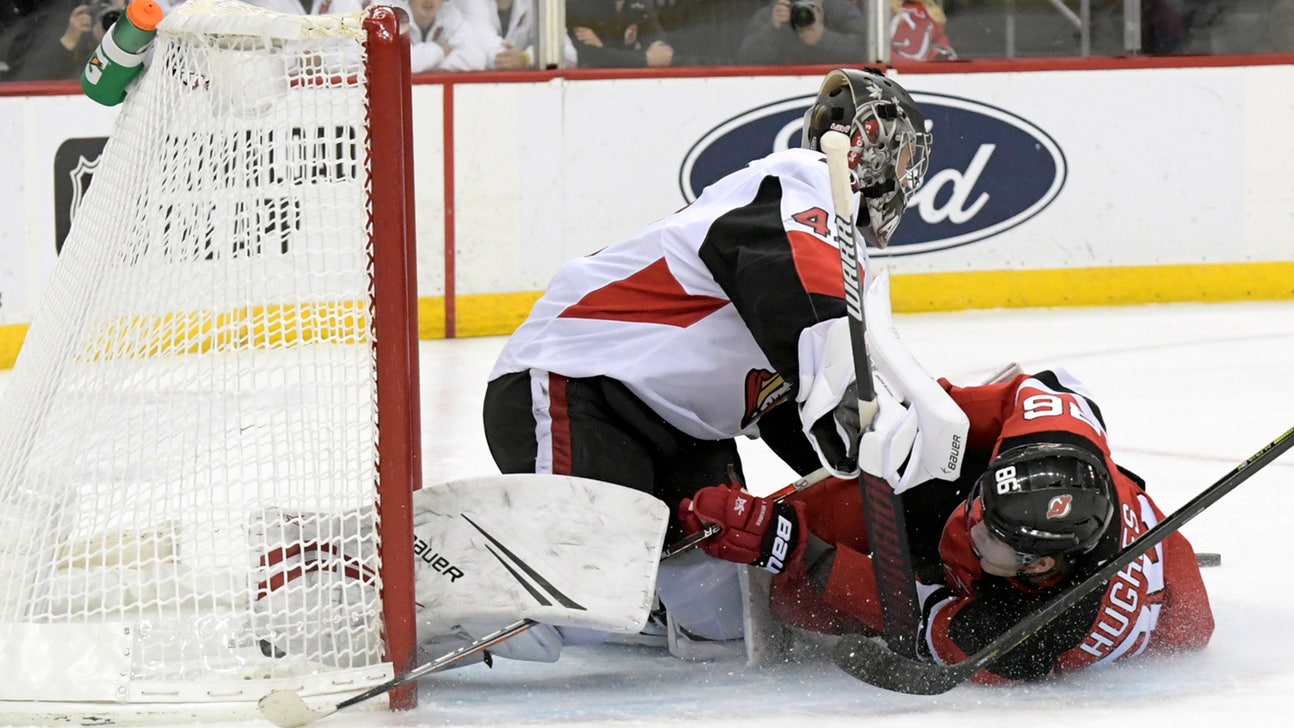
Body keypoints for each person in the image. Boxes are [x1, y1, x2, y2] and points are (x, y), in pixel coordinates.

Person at [482, 67, 930, 659]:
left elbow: (790, 409)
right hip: (575, 385)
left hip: (682, 431)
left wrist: (887, 491)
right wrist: (851, 410)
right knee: (580, 578)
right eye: (903, 162)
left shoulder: (839, 246)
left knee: (723, 618)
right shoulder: (797, 184)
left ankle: (643, 605)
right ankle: (460, 592)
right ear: (872, 145)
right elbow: (804, 312)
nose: (906, 179)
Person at [682, 357, 1217, 683]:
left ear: (1040, 565)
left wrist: (795, 547)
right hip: (1050, 551)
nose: (975, 528)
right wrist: (922, 419)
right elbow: (1041, 389)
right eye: (984, 508)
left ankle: (694, 599)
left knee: (795, 600)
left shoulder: (1015, 639)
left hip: (992, 601)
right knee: (887, 468)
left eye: (993, 539)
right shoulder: (1054, 438)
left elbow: (910, 617)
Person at [735, 0, 869, 66]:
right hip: (781, 90)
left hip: (835, 90)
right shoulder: (774, 13)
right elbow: (745, 59)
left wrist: (822, 38)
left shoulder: (842, 10)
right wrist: (774, 29)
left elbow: (866, 52)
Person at [458, 0, 578, 69]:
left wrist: (527, 58)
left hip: (524, 92)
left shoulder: (536, 2)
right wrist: (531, 57)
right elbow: (493, 56)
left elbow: (568, 54)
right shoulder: (468, 2)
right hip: (476, 93)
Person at [565, 0, 675, 68]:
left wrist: (606, 51)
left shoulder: (639, 3)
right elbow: (587, 57)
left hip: (628, 85)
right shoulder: (577, 5)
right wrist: (643, 58)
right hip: (587, 88)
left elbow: (662, 52)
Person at [404, 0, 491, 71]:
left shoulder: (450, 13)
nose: (429, 1)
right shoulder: (394, 16)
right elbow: (401, 62)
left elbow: (477, 58)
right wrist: (440, 50)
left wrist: (430, 65)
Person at [890, 0, 956, 61]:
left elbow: (945, 55)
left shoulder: (933, 16)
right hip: (899, 69)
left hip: (914, 69)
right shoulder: (884, 15)